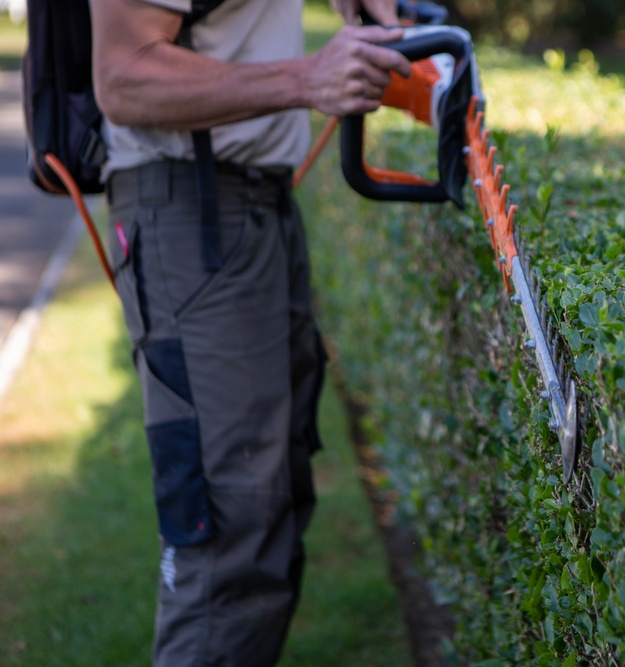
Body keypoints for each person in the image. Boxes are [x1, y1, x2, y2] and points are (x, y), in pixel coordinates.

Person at [89, 1, 412, 664]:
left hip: (252, 203)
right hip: (193, 208)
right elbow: (123, 75)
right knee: (227, 532)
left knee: (271, 510)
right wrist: (306, 79)